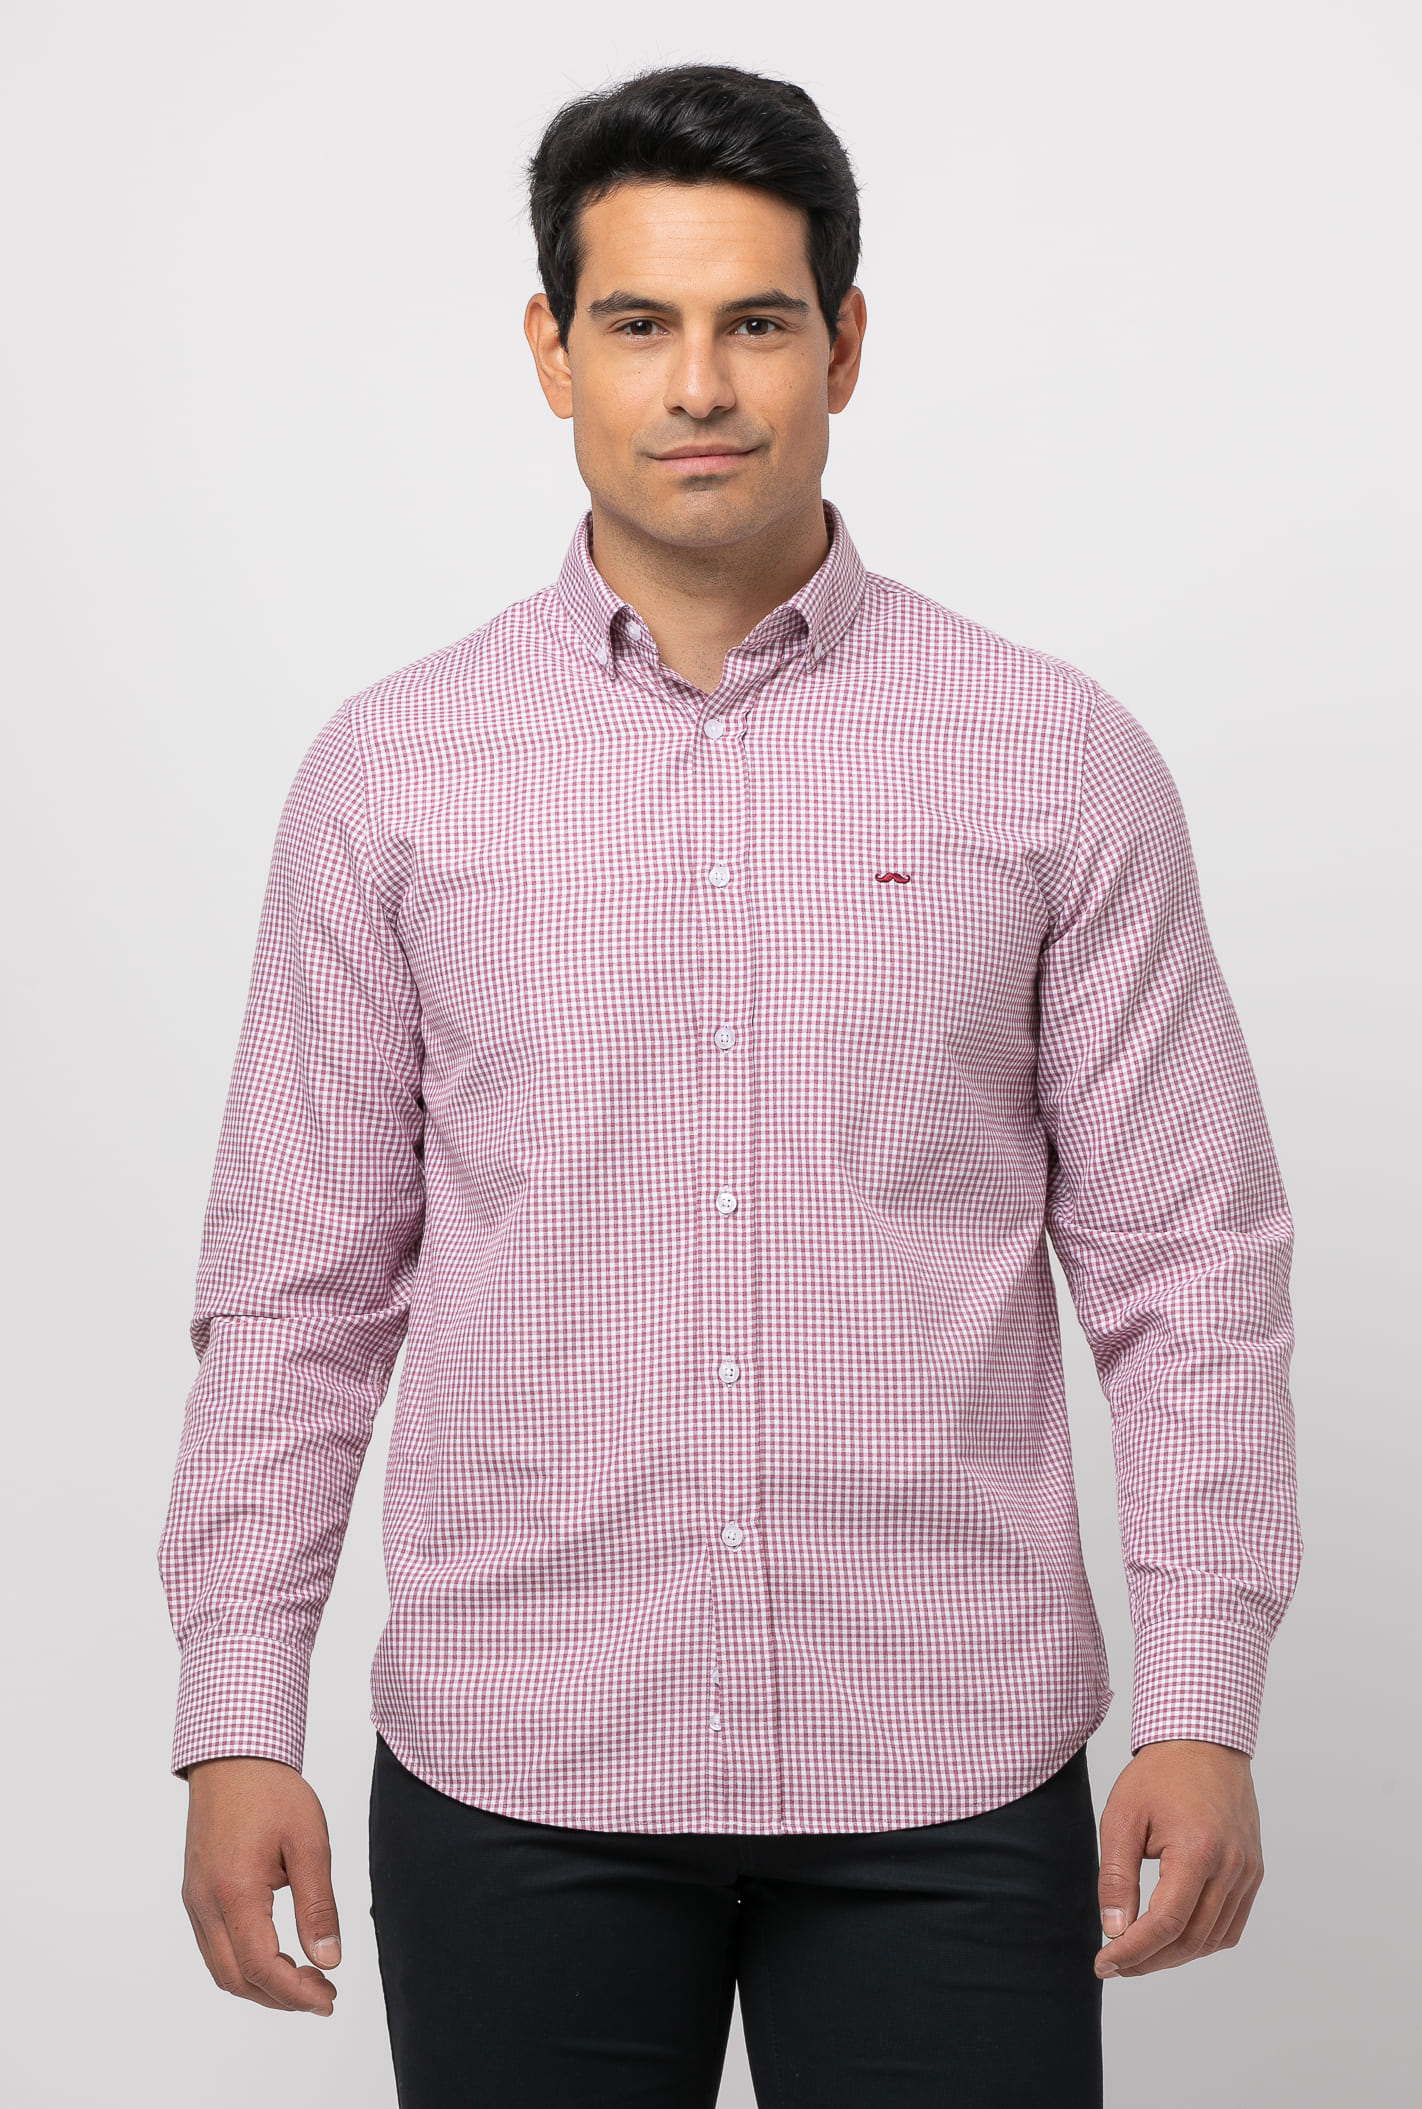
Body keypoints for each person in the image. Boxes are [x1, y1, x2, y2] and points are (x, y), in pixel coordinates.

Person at [159, 61, 1303, 2109]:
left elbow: (1188, 1264)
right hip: (520, 1767)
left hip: (950, 1766)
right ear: (552, 350)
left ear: (843, 345)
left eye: (757, 321)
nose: (699, 384)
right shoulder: (393, 775)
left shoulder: (1052, 758)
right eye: (639, 322)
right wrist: (239, 1712)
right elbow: (299, 1282)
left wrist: (1203, 1700)